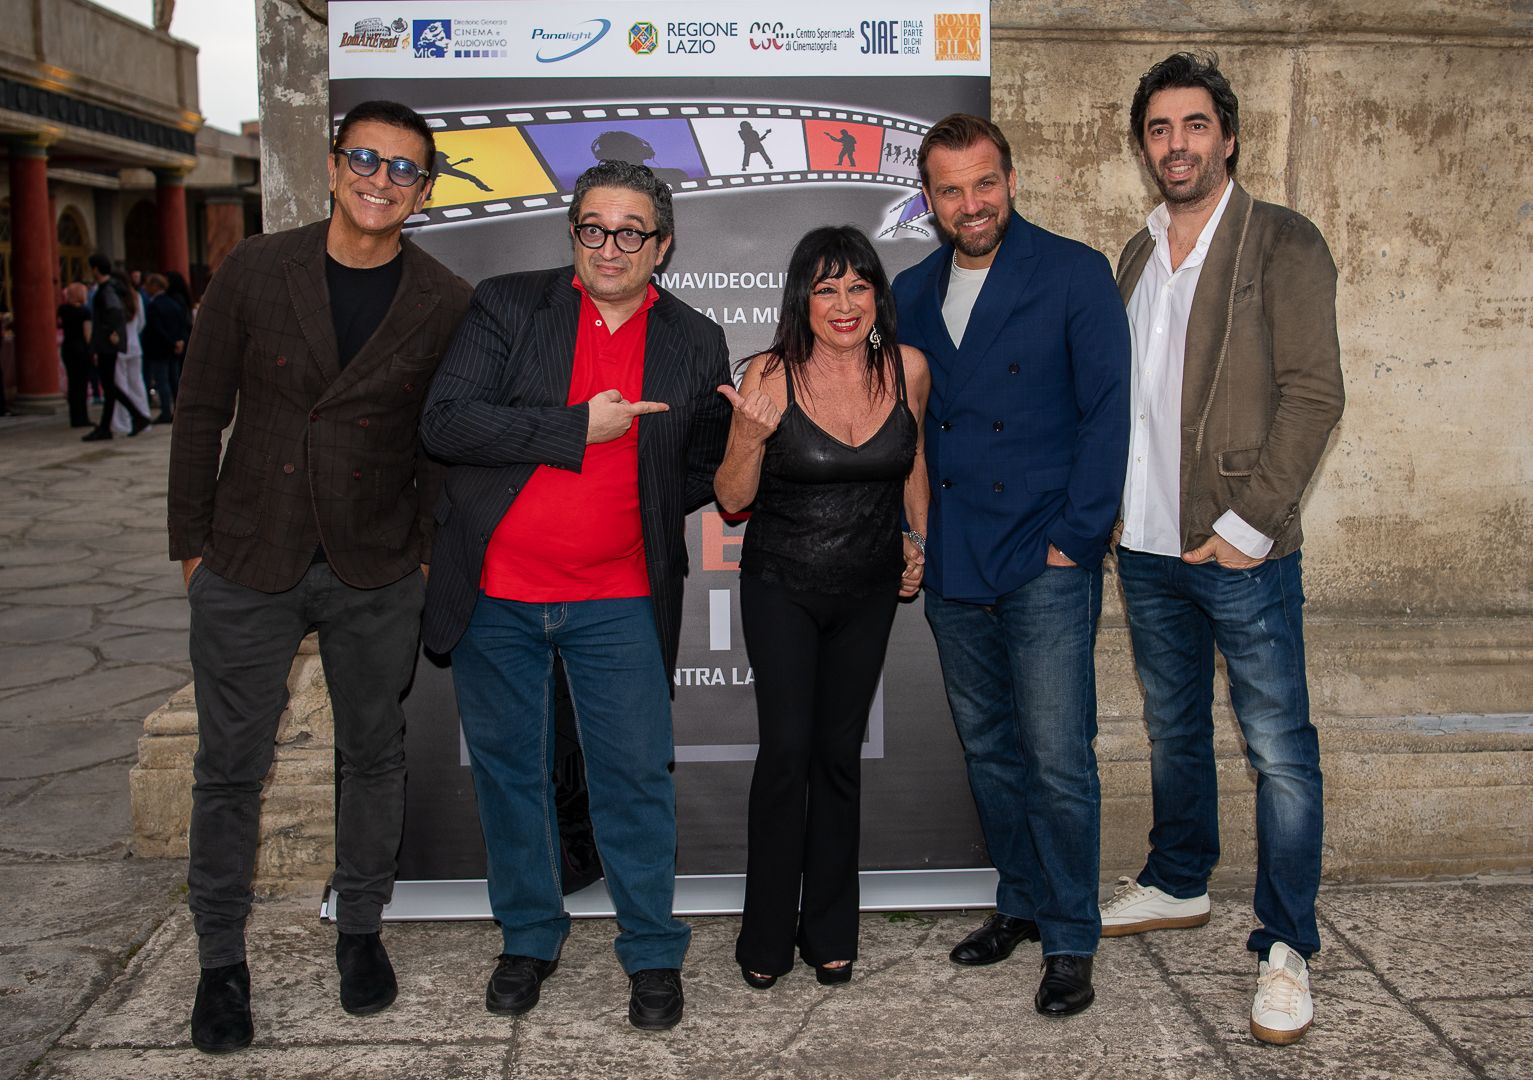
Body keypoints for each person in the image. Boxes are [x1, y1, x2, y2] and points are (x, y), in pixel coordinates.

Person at [167, 99, 471, 1054]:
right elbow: (199, 410)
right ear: (335, 167)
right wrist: (191, 548)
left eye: (404, 169)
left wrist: (421, 553)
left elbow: (439, 442)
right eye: (366, 161)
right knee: (228, 770)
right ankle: (221, 962)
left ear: (424, 191)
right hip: (246, 556)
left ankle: (360, 931)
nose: (382, 181)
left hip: (373, 568)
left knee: (373, 756)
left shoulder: (444, 299)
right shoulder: (257, 269)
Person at [418, 159, 731, 1032]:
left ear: (661, 246)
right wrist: (575, 428)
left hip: (620, 596)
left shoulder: (694, 339)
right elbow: (445, 422)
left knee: (634, 778)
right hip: (497, 595)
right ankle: (528, 936)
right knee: (510, 776)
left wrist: (644, 498)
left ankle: (653, 950)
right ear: (572, 234)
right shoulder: (508, 306)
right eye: (593, 228)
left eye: (631, 232)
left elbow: (703, 461)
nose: (609, 246)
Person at [1105, 52, 1344, 1047]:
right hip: (1146, 546)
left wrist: (1249, 527)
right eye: (1159, 129)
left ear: (1229, 136)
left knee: (1279, 750)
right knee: (1173, 728)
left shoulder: (1281, 241)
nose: (1177, 145)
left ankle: (1286, 945)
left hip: (1238, 547)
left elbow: (1314, 394)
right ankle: (1177, 878)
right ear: (1144, 146)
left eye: (1194, 125)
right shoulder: (1134, 254)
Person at [891, 113, 1130, 1017]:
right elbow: (902, 429)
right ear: (929, 201)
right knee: (990, 750)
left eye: (983, 183)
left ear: (1011, 182)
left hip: (1044, 554)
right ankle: (1021, 901)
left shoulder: (1071, 271)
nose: (971, 204)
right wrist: (912, 536)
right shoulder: (909, 291)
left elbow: (1108, 412)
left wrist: (1076, 538)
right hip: (955, 555)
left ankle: (1070, 935)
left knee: (1058, 757)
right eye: (950, 190)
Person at [715, 226, 929, 990]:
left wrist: (917, 539)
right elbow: (731, 500)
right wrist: (746, 437)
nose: (843, 303)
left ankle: (831, 931)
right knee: (786, 755)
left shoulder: (907, 368)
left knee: (838, 759)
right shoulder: (768, 373)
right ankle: (765, 937)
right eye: (825, 287)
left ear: (876, 296)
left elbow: (912, 462)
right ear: (801, 300)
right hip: (783, 586)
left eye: (857, 285)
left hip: (868, 590)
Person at [82, 253, 149, 440]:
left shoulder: (107, 289)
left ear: (96, 269)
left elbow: (115, 311)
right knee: (111, 387)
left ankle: (134, 417)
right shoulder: (112, 288)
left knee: (110, 385)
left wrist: (113, 331)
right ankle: (112, 424)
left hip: (106, 344)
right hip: (109, 343)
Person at [142, 272, 191, 423]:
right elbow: (182, 324)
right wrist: (179, 342)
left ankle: (166, 411)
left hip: (161, 349)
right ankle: (178, 410)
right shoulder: (173, 303)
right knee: (174, 380)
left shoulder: (154, 305)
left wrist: (172, 342)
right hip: (175, 348)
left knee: (162, 381)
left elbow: (157, 329)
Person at [108, 272, 151, 435]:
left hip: (120, 346)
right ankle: (144, 415)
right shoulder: (136, 297)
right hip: (134, 345)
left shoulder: (115, 298)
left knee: (121, 384)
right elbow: (142, 322)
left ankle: (123, 423)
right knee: (137, 383)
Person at [57, 283, 94, 428]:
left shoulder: (63, 309)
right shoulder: (84, 311)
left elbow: (59, 324)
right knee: (82, 384)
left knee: (72, 383)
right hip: (80, 349)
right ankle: (82, 417)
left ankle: (74, 417)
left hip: (68, 347)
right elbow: (87, 334)